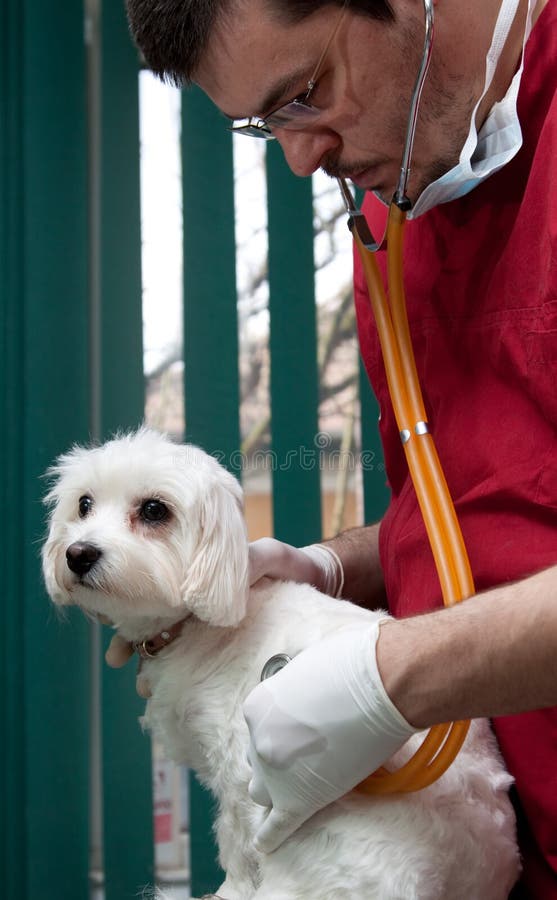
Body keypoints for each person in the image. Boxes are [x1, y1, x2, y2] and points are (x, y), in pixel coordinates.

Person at [121, 0, 557, 894]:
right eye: (261, 126)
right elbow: (476, 505)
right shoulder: (401, 214)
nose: (299, 156)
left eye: (303, 94)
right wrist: (328, 567)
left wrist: (387, 675)